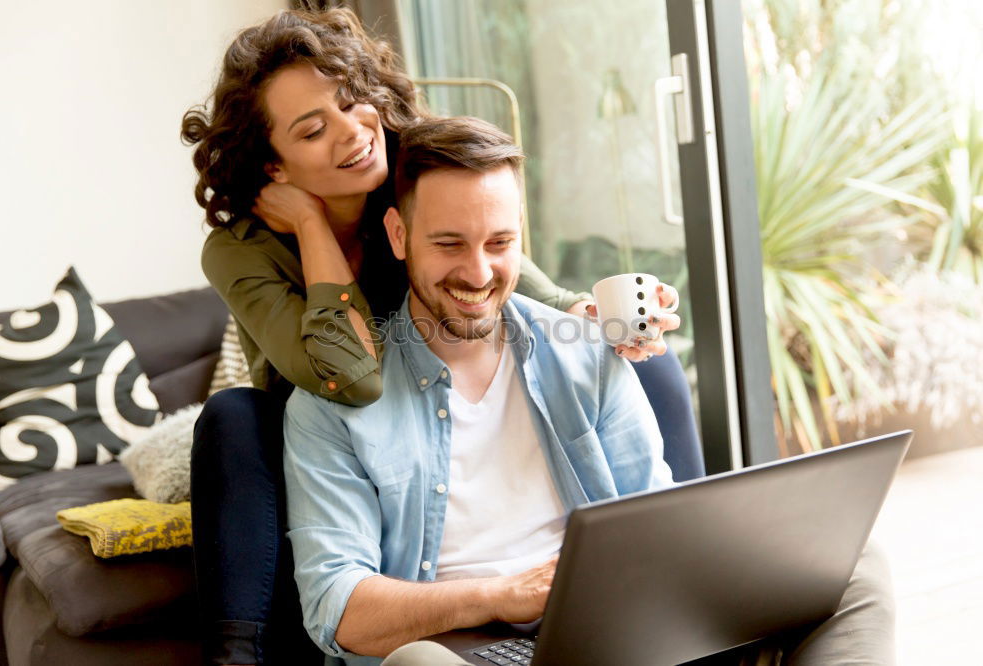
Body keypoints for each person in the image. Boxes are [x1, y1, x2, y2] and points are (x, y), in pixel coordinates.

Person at [180, 8, 694, 665]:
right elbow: (353, 377)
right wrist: (310, 226)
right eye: (313, 130)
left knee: (639, 361)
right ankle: (239, 658)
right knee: (231, 418)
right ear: (273, 165)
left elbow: (519, 283)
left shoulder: (413, 173)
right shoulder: (241, 249)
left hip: (432, 366)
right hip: (328, 399)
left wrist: (599, 321)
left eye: (350, 102)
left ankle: (692, 570)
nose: (352, 133)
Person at [283, 116, 896, 666]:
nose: (477, 273)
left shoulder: (585, 352)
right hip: (470, 654)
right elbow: (336, 608)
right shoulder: (332, 401)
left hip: (621, 634)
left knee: (851, 568)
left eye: (499, 244)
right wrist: (499, 596)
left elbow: (658, 523)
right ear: (398, 235)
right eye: (448, 244)